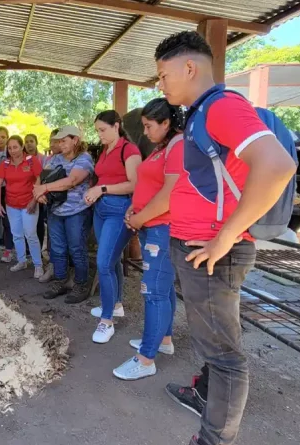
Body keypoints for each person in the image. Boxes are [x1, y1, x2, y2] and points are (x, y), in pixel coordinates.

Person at [155, 31, 296, 445]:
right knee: (210, 340)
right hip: (199, 247)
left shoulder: (221, 106)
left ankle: (214, 439)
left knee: (225, 355)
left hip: (215, 251)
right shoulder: (201, 112)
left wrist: (225, 238)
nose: (161, 85)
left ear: (190, 68)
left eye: (163, 75)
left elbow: (276, 165)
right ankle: (203, 393)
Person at [112, 98, 183, 380]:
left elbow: (169, 194)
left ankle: (145, 360)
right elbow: (149, 185)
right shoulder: (162, 147)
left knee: (153, 292)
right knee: (162, 290)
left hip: (161, 227)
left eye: (149, 126)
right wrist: (135, 207)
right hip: (151, 224)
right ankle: (163, 341)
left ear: (166, 123)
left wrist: (140, 218)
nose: (145, 132)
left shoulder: (178, 147)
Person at [83, 110, 142, 343]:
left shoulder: (130, 150)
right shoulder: (106, 150)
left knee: (104, 263)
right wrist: (93, 191)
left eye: (103, 130)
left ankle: (107, 321)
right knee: (112, 259)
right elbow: (102, 178)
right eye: (97, 130)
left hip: (120, 211)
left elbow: (134, 184)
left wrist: (102, 189)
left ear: (116, 126)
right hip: (101, 209)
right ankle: (116, 305)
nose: (100, 135)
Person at [35, 126, 95, 303]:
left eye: (63, 140)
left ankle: (81, 284)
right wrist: (39, 194)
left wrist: (44, 188)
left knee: (76, 248)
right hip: (55, 210)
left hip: (76, 211)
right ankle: (61, 280)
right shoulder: (55, 158)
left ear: (75, 140)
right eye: (58, 141)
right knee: (58, 249)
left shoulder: (84, 159)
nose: (60, 144)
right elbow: (41, 178)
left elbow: (72, 181)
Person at [0, 135, 45, 278]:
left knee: (30, 234)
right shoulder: (4, 163)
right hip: (11, 204)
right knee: (17, 234)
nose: (12, 151)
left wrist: (34, 200)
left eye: (15, 147)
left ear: (22, 147)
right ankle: (22, 261)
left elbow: (39, 180)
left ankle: (38, 265)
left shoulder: (31, 160)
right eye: (9, 148)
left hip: (29, 203)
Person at [38, 128, 62, 283]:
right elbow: (41, 179)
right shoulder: (48, 160)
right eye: (50, 140)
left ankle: (65, 272)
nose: (51, 144)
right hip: (51, 205)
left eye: (55, 141)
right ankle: (53, 268)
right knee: (53, 239)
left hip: (69, 206)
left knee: (70, 243)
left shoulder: (73, 159)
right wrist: (39, 193)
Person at [0, 126, 14, 263]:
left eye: (3, 137)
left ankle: (8, 250)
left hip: (8, 190)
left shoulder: (11, 152)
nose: (0, 139)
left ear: (7, 138)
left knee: (7, 221)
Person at [25, 133, 47, 249]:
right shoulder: (22, 159)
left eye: (31, 141)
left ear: (36, 143)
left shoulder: (43, 159)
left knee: (38, 223)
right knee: (26, 223)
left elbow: (45, 177)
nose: (29, 144)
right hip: (25, 194)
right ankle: (28, 250)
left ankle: (38, 250)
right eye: (26, 142)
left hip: (40, 194)